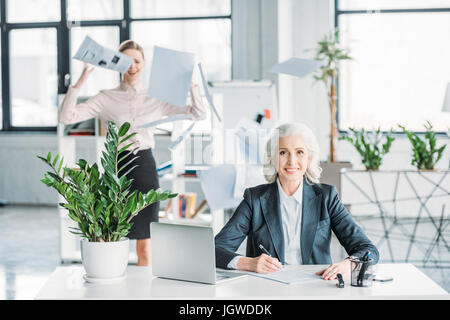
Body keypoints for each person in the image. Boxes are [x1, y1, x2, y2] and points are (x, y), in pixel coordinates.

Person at [59, 40, 206, 266]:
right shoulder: (106, 97)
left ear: (144, 63)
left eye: (137, 61)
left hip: (145, 167)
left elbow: (197, 113)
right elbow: (66, 117)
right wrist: (79, 83)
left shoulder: (156, 96)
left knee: (145, 246)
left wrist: (192, 87)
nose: (132, 66)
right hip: (116, 169)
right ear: (116, 64)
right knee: (111, 239)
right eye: (126, 61)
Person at [214, 122, 379, 280]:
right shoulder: (254, 199)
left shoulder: (327, 197)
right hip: (267, 289)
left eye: (299, 152)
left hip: (315, 288)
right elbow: (214, 250)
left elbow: (368, 250)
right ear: (272, 158)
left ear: (309, 158)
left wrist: (348, 265)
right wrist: (248, 263)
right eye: (283, 152)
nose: (292, 161)